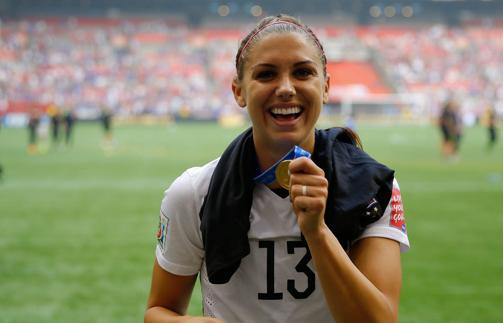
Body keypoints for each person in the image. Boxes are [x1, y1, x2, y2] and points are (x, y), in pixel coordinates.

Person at [145, 14, 409, 323]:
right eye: (266, 75)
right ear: (238, 91)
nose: (285, 88)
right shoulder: (193, 192)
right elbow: (157, 313)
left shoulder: (373, 188)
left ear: (325, 87)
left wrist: (317, 232)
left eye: (302, 72)